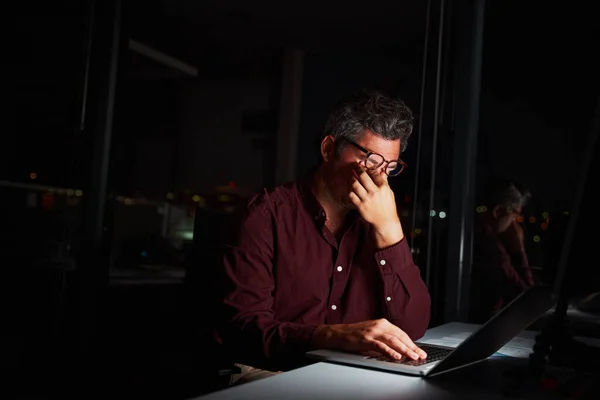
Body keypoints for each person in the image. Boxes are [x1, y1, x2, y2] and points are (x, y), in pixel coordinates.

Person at [214, 90, 431, 385]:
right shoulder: (265, 216)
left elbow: (414, 327)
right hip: (272, 372)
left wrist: (391, 231)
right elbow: (243, 329)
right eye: (370, 160)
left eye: (389, 168)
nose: (379, 179)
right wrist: (332, 336)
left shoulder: (379, 221)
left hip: (356, 375)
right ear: (329, 149)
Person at [469, 179, 534, 323]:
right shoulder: (491, 247)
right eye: (515, 215)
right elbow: (526, 295)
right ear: (498, 211)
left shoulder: (476, 236)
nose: (515, 223)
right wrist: (519, 249)